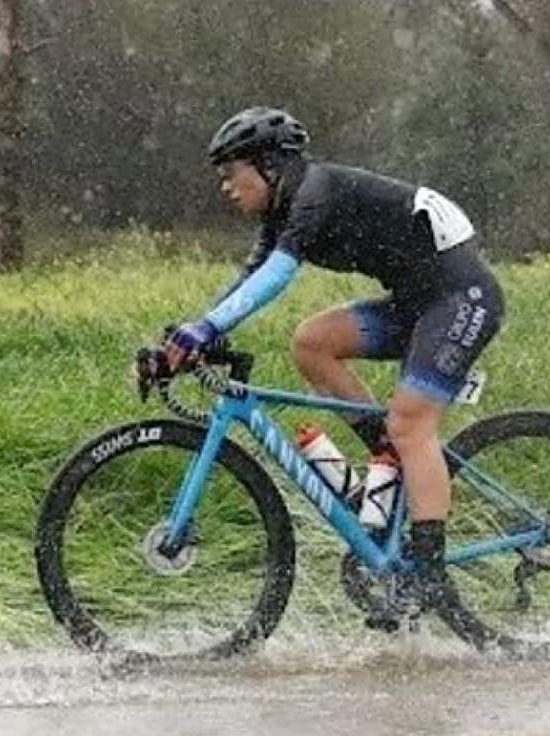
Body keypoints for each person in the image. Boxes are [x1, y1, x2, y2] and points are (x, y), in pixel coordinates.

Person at [149, 106, 504, 618]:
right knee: (312, 341)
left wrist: (205, 330)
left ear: (268, 165)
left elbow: (275, 279)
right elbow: (249, 281)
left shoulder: (314, 191)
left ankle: (429, 576)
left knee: (411, 424)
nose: (225, 187)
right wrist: (194, 336)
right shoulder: (283, 211)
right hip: (417, 304)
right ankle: (388, 457)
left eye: (232, 174)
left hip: (460, 300)